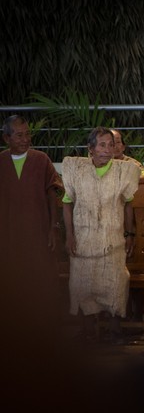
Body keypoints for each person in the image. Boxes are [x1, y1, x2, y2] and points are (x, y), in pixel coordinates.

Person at [62, 126, 140, 344]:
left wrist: (130, 233)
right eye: (102, 145)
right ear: (91, 148)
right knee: (83, 283)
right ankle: (89, 332)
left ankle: (115, 332)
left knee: (115, 282)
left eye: (111, 145)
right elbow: (67, 204)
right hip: (83, 239)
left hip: (112, 238)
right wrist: (69, 235)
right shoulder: (76, 170)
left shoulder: (124, 171)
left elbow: (128, 204)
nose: (108, 149)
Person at [0, 115, 64, 340]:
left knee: (42, 279)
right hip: (8, 235)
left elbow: (52, 194)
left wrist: (53, 227)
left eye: (28, 134)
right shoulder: (1, 161)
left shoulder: (41, 159)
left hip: (38, 231)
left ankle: (45, 331)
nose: (26, 139)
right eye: (19, 135)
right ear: (6, 137)